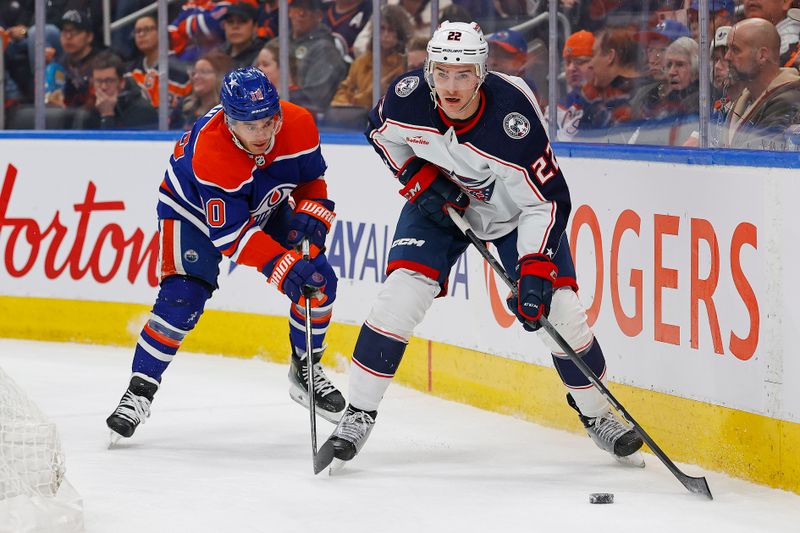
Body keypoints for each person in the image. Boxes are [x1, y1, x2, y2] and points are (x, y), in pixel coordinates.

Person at [320, 21, 645, 467]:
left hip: (514, 214)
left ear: (483, 73)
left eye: (464, 74)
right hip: (441, 205)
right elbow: (378, 132)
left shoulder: (513, 119)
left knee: (560, 310)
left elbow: (546, 202)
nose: (451, 86)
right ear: (429, 69)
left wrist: (533, 269)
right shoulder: (408, 95)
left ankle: (597, 414)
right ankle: (358, 413)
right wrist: (419, 180)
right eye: (442, 72)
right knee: (400, 296)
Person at [106, 67, 345, 442]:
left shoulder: (298, 123)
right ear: (229, 121)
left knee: (318, 280)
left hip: (263, 203)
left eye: (269, 121)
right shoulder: (212, 151)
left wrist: (313, 213)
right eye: (251, 126)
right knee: (182, 297)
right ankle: (139, 392)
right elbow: (231, 236)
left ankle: (306, 367)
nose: (264, 134)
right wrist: (281, 267)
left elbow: (311, 181)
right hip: (192, 213)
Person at [724, 17, 800, 150]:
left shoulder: (789, 101)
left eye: (735, 50)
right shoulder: (744, 97)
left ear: (762, 56)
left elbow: (757, 158)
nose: (727, 57)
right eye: (728, 49)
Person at [330, 5, 412, 110]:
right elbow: (343, 91)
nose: (386, 35)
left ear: (400, 34)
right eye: (382, 29)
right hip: (356, 119)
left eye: (391, 30)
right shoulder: (362, 62)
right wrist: (345, 105)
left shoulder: (404, 64)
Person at [126, 14, 192, 126]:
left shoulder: (181, 70)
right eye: (138, 31)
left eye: (147, 29)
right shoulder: (131, 71)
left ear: (161, 32)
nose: (141, 35)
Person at [85, 51, 159, 130]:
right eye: (98, 81)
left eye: (109, 80)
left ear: (122, 82)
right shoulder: (91, 108)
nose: (103, 87)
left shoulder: (143, 111)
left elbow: (112, 142)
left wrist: (107, 115)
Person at [175, 49, 233, 131]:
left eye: (204, 72)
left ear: (220, 77)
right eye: (194, 73)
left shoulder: (228, 113)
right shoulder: (185, 108)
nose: (196, 77)